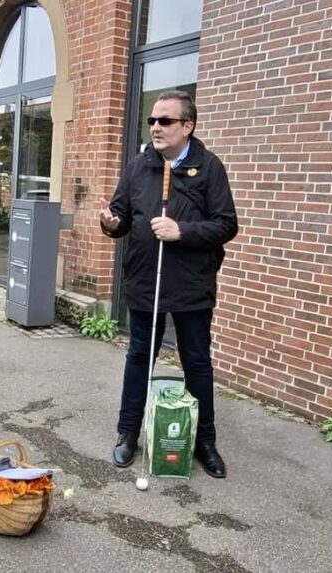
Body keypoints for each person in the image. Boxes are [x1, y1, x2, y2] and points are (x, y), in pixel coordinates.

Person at [100, 90, 238, 478]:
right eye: (152, 121)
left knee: (196, 362)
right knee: (139, 359)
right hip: (146, 281)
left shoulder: (209, 167)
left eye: (165, 121)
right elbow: (121, 216)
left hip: (192, 284)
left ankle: (204, 441)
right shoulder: (138, 166)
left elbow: (226, 224)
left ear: (187, 126)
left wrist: (183, 231)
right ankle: (128, 433)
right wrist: (111, 224)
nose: (156, 127)